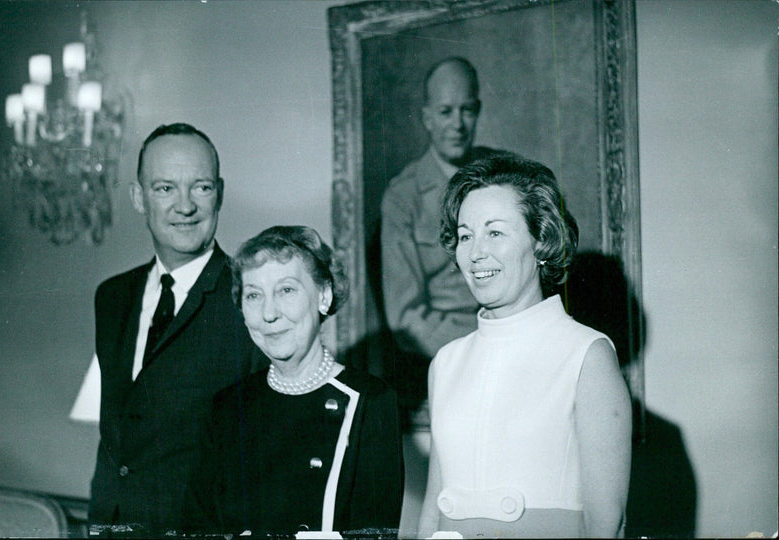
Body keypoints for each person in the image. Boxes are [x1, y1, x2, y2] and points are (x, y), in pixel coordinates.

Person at [419, 154, 632, 538]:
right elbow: (434, 506)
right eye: (466, 235)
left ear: (541, 241)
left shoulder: (587, 354)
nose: (476, 252)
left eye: (495, 232)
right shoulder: (447, 363)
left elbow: (606, 524)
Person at [89, 123, 267, 535]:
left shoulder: (252, 297)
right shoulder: (112, 298)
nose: (184, 206)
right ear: (139, 197)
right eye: (165, 188)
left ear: (219, 193)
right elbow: (119, 437)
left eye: (201, 187)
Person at [183, 225, 405, 536]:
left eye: (286, 290)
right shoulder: (225, 407)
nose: (269, 313)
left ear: (323, 296)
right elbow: (198, 528)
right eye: (254, 295)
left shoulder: (370, 401)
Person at [380, 57, 508, 409]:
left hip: (516, 341)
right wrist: (484, 346)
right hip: (452, 362)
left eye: (467, 110)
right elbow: (405, 317)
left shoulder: (506, 175)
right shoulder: (402, 197)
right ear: (427, 119)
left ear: (478, 111)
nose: (457, 124)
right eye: (445, 112)